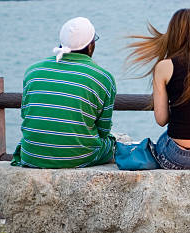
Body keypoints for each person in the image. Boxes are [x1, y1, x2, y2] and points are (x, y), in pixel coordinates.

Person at [125, 8, 190, 169]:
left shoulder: (164, 66)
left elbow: (161, 120)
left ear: (173, 34)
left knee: (162, 139)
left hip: (179, 158)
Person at [12, 17, 117, 168]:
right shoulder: (103, 77)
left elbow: (26, 115)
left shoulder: (33, 71)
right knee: (112, 144)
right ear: (91, 46)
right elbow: (103, 129)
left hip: (32, 156)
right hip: (79, 157)